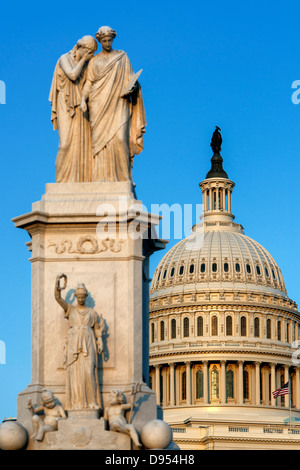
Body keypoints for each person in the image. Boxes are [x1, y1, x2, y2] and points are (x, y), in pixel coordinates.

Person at [80, 26, 146, 182]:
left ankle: (123, 178)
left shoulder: (122, 57)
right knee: (100, 145)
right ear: (100, 41)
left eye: (110, 40)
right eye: (104, 41)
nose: (107, 43)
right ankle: (99, 178)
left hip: (119, 102)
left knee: (120, 139)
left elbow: (132, 79)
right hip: (98, 104)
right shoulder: (94, 61)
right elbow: (88, 83)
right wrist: (83, 100)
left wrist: (133, 87)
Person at [49, 36, 97, 183]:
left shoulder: (89, 65)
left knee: (83, 145)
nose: (91, 55)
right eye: (89, 51)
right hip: (65, 103)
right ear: (80, 47)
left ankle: (82, 180)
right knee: (65, 144)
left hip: (81, 107)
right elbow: (72, 75)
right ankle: (61, 181)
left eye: (93, 53)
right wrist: (84, 60)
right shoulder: (64, 58)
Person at [54, 274, 104, 411]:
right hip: (74, 342)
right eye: (79, 297)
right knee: (75, 374)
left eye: (83, 297)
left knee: (89, 372)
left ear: (85, 297)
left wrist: (100, 340)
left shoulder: (91, 312)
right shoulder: (71, 309)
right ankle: (76, 403)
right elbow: (58, 299)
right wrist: (57, 286)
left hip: (88, 342)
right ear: (76, 297)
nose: (81, 299)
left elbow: (96, 328)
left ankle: (92, 402)